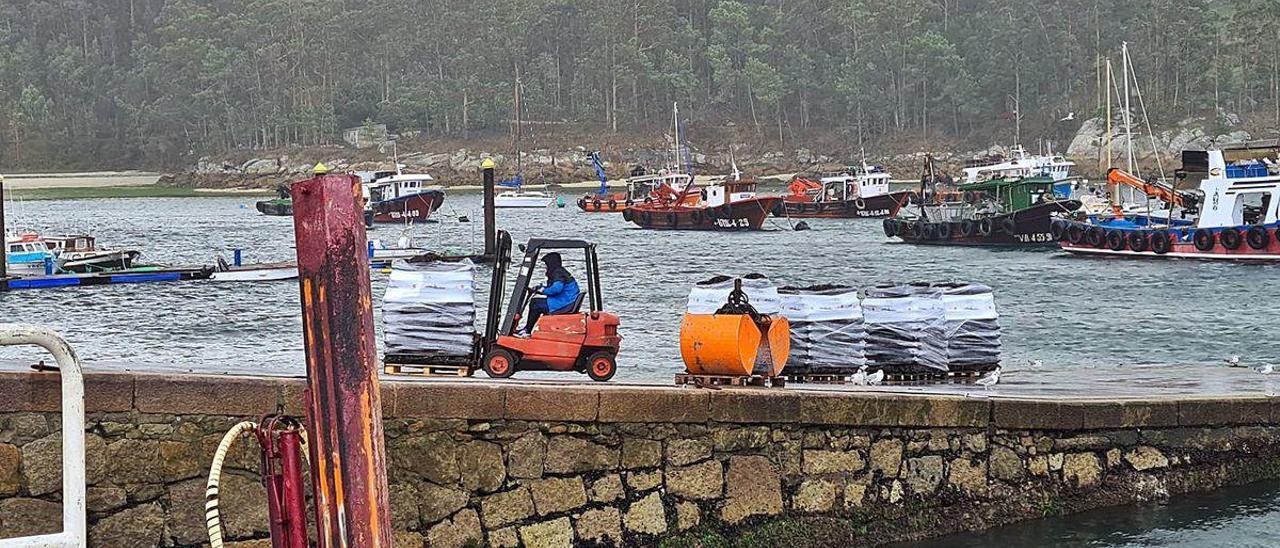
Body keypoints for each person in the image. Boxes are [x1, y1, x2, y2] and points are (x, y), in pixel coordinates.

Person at [518, 252, 581, 336]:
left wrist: (542, 289)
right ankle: (527, 329)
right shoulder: (560, 271)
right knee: (537, 302)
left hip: (564, 304)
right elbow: (556, 287)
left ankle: (527, 330)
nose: (546, 267)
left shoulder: (557, 272)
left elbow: (556, 289)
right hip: (566, 301)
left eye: (546, 264)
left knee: (535, 303)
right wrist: (540, 288)